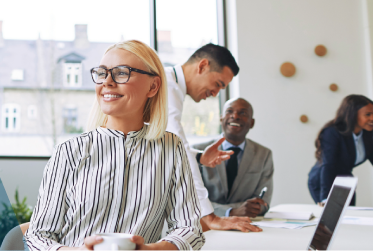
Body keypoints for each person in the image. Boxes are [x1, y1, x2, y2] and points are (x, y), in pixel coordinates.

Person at [24, 40, 204, 251]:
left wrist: (152, 250)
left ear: (153, 86)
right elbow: (37, 236)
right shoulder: (69, 151)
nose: (106, 82)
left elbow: (189, 229)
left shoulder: (171, 149)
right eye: (102, 73)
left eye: (121, 73)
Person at [164, 43, 261, 232]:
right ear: (202, 66)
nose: (215, 94)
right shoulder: (167, 87)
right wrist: (209, 216)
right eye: (218, 84)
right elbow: (178, 150)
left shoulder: (172, 85)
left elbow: (169, 147)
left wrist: (200, 157)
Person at [193, 98, 273, 218]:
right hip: (205, 226)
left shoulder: (263, 154)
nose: (235, 116)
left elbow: (263, 202)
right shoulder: (197, 151)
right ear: (221, 118)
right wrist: (231, 211)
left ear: (252, 123)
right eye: (229, 111)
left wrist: (255, 208)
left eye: (243, 113)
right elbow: (192, 200)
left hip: (246, 226)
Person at [308, 94, 373, 206]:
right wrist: (325, 198)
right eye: (368, 114)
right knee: (331, 219)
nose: (372, 118)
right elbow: (328, 166)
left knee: (349, 217)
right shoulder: (332, 132)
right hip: (324, 181)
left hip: (345, 180)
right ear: (352, 115)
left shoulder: (368, 133)